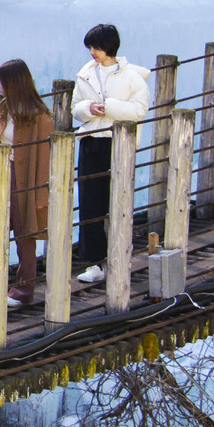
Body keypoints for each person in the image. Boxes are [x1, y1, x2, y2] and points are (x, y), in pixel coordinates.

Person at [70, 24, 152, 284]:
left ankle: (118, 256)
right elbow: (74, 107)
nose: (92, 52)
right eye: (90, 48)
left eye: (96, 47)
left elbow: (140, 110)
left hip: (117, 142)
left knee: (117, 199)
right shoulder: (85, 74)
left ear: (109, 47)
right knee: (90, 202)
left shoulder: (131, 77)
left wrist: (110, 108)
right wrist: (88, 108)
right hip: (91, 140)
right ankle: (94, 262)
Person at [0, 59, 51, 305]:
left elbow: (44, 160)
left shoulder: (40, 117)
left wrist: (40, 197)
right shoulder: (3, 109)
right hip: (1, 172)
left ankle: (24, 290)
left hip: (24, 178)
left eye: (3, 81)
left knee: (24, 235)